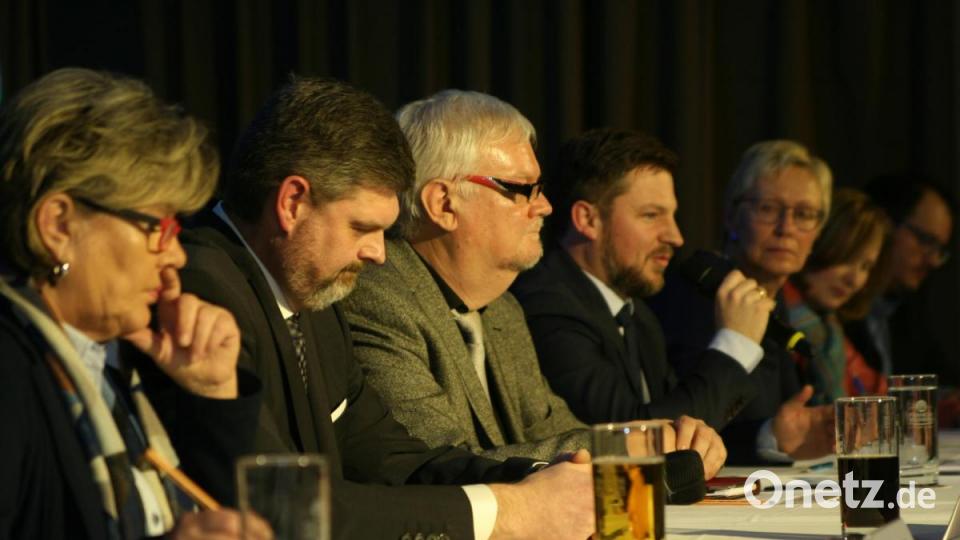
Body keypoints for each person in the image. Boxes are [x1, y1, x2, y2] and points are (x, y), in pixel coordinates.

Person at [172, 77, 593, 540]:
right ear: (293, 202)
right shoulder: (202, 287)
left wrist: (542, 481)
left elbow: (396, 460)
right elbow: (283, 504)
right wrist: (509, 510)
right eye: (362, 227)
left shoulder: (314, 294)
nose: (378, 252)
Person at [341, 90, 727, 479]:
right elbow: (438, 464)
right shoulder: (378, 298)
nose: (543, 207)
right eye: (524, 188)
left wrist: (655, 437)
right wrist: (628, 444)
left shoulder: (503, 309)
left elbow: (557, 432)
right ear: (443, 203)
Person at [0, 68, 264, 540]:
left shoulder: (116, 364)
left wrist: (212, 393)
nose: (177, 255)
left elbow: (213, 516)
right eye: (157, 228)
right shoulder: (10, 370)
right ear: (59, 226)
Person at [511, 128, 773, 431]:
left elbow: (682, 419)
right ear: (588, 220)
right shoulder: (546, 305)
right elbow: (633, 435)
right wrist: (735, 344)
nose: (675, 237)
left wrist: (770, 437)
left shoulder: (638, 315)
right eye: (651, 215)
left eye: (672, 216)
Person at [648, 140, 835, 464]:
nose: (786, 228)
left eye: (803, 214)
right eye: (767, 209)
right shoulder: (697, 295)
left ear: (817, 232)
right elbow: (681, 427)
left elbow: (738, 427)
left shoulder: (774, 302)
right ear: (732, 217)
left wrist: (774, 435)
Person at [782, 188, 891, 404]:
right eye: (847, 258)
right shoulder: (775, 313)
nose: (854, 279)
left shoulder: (829, 329)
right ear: (818, 242)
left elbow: (878, 391)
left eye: (865, 266)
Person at [844, 175, 954, 380]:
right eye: (925, 240)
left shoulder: (908, 310)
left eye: (939, 249)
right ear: (884, 224)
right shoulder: (837, 303)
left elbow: (943, 382)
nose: (932, 260)